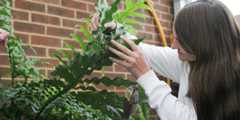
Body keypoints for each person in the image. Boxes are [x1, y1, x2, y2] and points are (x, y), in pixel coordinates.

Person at [93, 0, 240, 119]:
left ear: (201, 42)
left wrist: (146, 76)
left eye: (179, 39)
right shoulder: (190, 60)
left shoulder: (232, 80)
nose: (173, 45)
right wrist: (111, 31)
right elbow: (144, 52)